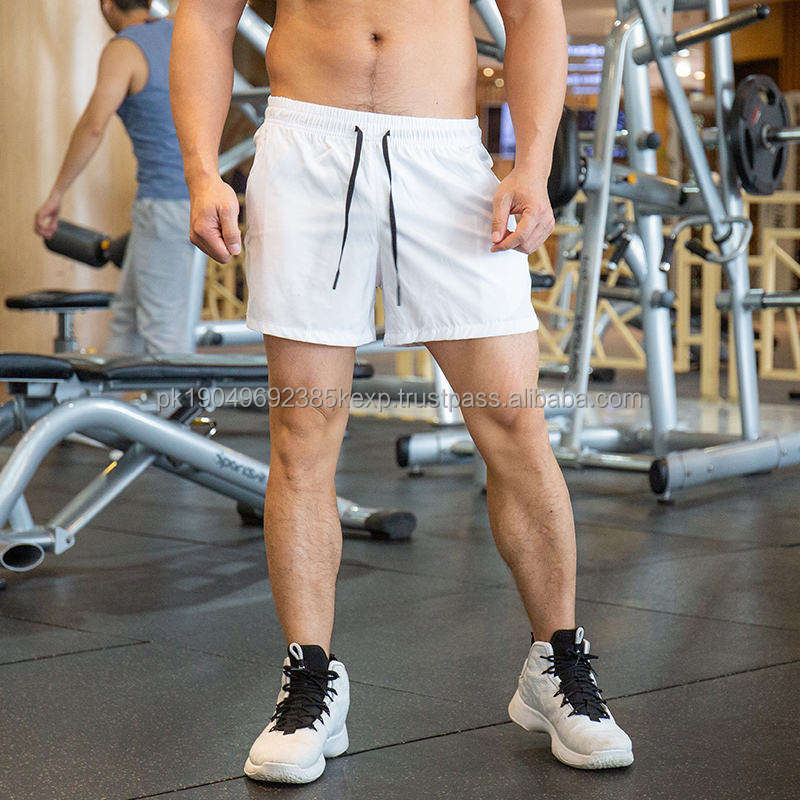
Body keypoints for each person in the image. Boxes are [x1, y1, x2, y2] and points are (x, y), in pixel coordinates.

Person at [170, 0, 633, 784]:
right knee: (303, 434)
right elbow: (207, 20)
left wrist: (532, 164)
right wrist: (201, 169)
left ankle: (557, 665)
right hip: (306, 148)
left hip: (443, 154)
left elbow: (533, 15)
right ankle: (310, 684)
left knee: (514, 424)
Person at [34, 0, 203, 355]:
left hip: (165, 205)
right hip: (185, 202)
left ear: (108, 6)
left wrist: (57, 193)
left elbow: (93, 126)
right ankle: (109, 394)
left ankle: (174, 396)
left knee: (164, 337)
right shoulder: (179, 34)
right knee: (127, 321)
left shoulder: (125, 49)